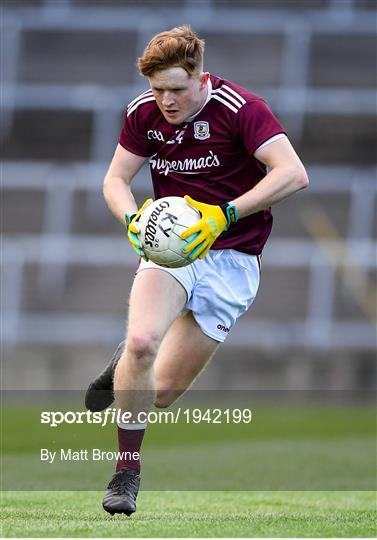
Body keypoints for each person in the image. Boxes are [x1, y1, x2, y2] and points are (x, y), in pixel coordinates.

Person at [85, 25, 309, 516]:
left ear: (200, 78)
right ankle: (126, 472)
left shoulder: (240, 109)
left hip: (234, 259)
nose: (165, 100)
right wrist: (132, 218)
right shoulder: (143, 112)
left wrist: (224, 213)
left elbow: (293, 173)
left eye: (176, 89)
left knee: (160, 392)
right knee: (145, 341)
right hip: (173, 251)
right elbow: (116, 180)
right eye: (157, 89)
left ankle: (124, 361)